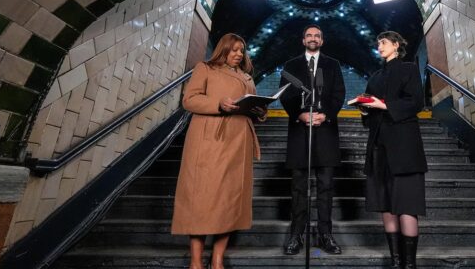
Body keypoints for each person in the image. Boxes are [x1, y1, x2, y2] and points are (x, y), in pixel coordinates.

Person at [171, 33, 266, 269]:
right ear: (222, 49)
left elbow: (254, 108)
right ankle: (195, 261)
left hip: (239, 141)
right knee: (201, 199)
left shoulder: (246, 77)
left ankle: (217, 259)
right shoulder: (205, 68)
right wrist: (218, 104)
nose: (238, 54)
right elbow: (190, 100)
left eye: (241, 50)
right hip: (210, 139)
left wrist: (260, 110)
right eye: (233, 49)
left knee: (229, 200)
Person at [358, 31, 426, 269]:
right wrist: (365, 110)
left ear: (396, 45)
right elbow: (369, 116)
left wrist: (384, 105)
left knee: (407, 205)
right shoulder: (375, 77)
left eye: (384, 42)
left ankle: (410, 265)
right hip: (378, 147)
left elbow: (417, 102)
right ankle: (397, 263)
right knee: (385, 204)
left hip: (405, 148)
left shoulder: (408, 69)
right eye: (378, 43)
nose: (379, 46)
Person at [278, 24, 346, 255]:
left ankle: (326, 235)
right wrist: (299, 114)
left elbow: (339, 94)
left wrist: (325, 114)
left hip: (326, 132)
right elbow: (285, 94)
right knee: (298, 187)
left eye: (317, 35)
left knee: (326, 187)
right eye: (309, 35)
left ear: (322, 40)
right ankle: (296, 236)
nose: (313, 38)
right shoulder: (291, 66)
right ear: (303, 39)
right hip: (299, 133)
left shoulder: (333, 64)